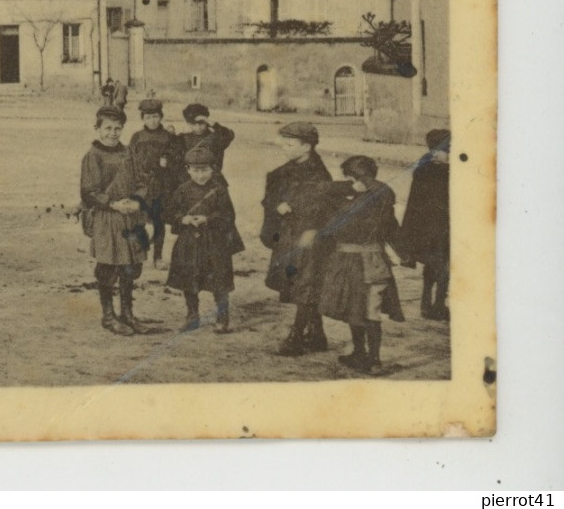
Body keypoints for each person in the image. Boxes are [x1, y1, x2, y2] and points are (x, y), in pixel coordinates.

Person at [319, 155, 406, 374]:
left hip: (351, 262)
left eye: (348, 177)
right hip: (376, 262)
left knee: (354, 309)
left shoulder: (353, 203)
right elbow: (392, 229)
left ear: (354, 177)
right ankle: (372, 358)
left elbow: (331, 224)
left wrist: (348, 190)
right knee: (371, 311)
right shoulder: (385, 196)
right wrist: (404, 253)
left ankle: (364, 355)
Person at [261, 121, 336, 356]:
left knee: (305, 284)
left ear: (306, 147)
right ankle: (316, 334)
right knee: (301, 283)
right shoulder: (285, 170)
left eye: (289, 143)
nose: (284, 147)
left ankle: (296, 335)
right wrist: (276, 204)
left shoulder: (319, 174)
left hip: (308, 236)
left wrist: (291, 207)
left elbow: (321, 206)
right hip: (290, 234)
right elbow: (271, 197)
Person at [78, 106, 153, 335]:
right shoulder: (92, 156)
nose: (113, 133)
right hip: (107, 217)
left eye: (117, 128)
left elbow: (142, 181)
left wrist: (137, 201)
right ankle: (108, 316)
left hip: (129, 218)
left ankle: (127, 314)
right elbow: (89, 191)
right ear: (97, 129)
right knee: (108, 266)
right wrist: (112, 204)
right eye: (108, 128)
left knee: (129, 265)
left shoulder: (129, 153)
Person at [164, 146, 245, 333]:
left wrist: (208, 219)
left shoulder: (219, 190)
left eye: (204, 170)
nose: (200, 175)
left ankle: (222, 316)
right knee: (189, 278)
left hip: (215, 243)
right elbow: (168, 212)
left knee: (219, 280)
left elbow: (228, 215)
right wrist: (182, 219)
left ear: (212, 169)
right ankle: (192, 315)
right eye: (196, 170)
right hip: (189, 242)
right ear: (188, 170)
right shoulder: (182, 190)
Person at [398, 129, 451, 321]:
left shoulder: (424, 162)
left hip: (425, 226)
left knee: (431, 266)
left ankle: (426, 304)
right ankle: (437, 305)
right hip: (440, 226)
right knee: (444, 265)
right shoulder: (441, 167)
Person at [127, 98, 185, 268]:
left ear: (161, 117)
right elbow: (129, 160)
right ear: (143, 119)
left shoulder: (169, 137)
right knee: (138, 220)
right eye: (148, 117)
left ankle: (158, 258)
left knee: (159, 222)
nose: (152, 121)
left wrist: (169, 162)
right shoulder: (136, 137)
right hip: (141, 186)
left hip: (162, 186)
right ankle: (138, 254)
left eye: (155, 117)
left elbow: (178, 161)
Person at [182, 103, 236, 173]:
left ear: (207, 122)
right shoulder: (184, 138)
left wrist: (213, 124)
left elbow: (228, 135)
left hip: (213, 179)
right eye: (194, 124)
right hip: (190, 180)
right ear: (188, 124)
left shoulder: (216, 137)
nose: (198, 127)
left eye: (202, 123)